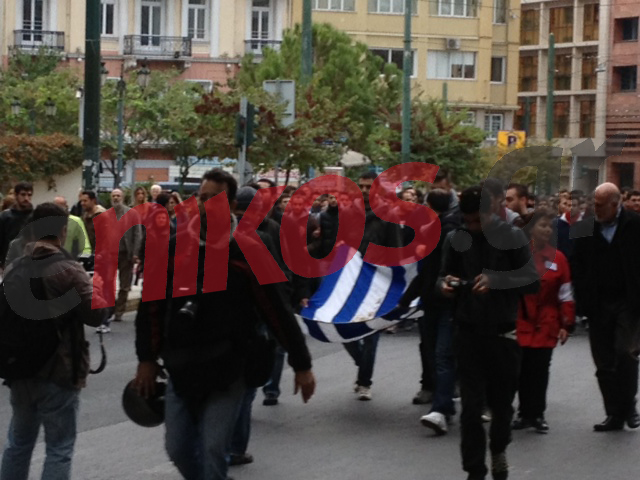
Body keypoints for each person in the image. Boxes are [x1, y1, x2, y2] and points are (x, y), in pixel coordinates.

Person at [133, 169, 316, 480]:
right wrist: (146, 359)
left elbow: (276, 309)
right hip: (182, 367)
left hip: (229, 368)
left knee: (213, 447)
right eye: (202, 198)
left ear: (231, 205)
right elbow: (151, 306)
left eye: (213, 199)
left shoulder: (250, 248)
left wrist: (302, 363)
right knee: (177, 447)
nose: (205, 205)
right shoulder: (174, 247)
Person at [439, 186, 539, 480]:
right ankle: (474, 469)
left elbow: (531, 280)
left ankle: (498, 448)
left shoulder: (513, 237)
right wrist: (444, 285)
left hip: (503, 332)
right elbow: (441, 275)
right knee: (471, 409)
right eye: (467, 220)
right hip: (467, 331)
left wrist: (497, 280)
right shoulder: (455, 239)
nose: (472, 226)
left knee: (502, 404)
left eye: (477, 221)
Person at [0, 202, 104, 480]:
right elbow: (95, 315)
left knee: (18, 443)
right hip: (58, 368)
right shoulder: (68, 270)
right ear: (63, 230)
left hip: (19, 368)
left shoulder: (14, 268)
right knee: (59, 447)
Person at [571, 182, 640, 432]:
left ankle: (629, 405)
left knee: (625, 352)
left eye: (601, 206)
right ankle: (613, 413)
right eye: (594, 204)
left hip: (628, 302)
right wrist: (582, 300)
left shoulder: (635, 225)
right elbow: (576, 265)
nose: (596, 209)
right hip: (597, 302)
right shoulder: (584, 229)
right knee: (603, 362)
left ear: (615, 204)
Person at [400, 189, 460, 430]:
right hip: (435, 301)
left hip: (444, 302)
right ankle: (442, 400)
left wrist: (407, 298)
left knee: (441, 355)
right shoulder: (440, 230)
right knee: (436, 353)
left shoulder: (445, 232)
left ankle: (442, 406)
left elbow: (430, 270)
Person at [340, 171, 402, 401]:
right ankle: (362, 365)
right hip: (349, 280)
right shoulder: (348, 213)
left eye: (369, 187)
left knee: (370, 334)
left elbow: (396, 252)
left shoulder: (388, 215)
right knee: (344, 329)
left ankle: (365, 381)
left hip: (376, 282)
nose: (365, 191)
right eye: (362, 186)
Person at [512, 209, 575, 434]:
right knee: (521, 370)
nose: (547, 230)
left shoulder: (559, 258)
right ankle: (523, 413)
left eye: (550, 226)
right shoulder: (516, 255)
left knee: (540, 370)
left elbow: (565, 294)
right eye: (542, 226)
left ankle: (537, 413)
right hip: (520, 320)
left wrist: (567, 324)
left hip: (547, 322)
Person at [104, 188, 141, 327]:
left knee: (125, 285)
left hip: (126, 254)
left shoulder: (132, 214)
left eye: (118, 195)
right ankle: (109, 310)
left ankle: (119, 311)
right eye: (114, 196)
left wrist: (136, 253)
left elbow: (137, 234)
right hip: (110, 254)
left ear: (123, 197)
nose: (116, 198)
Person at [0, 182, 33, 273]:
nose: (26, 198)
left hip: (30, 264)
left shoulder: (35, 216)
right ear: (16, 195)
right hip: (9, 263)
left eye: (29, 195)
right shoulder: (5, 217)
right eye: (23, 194)